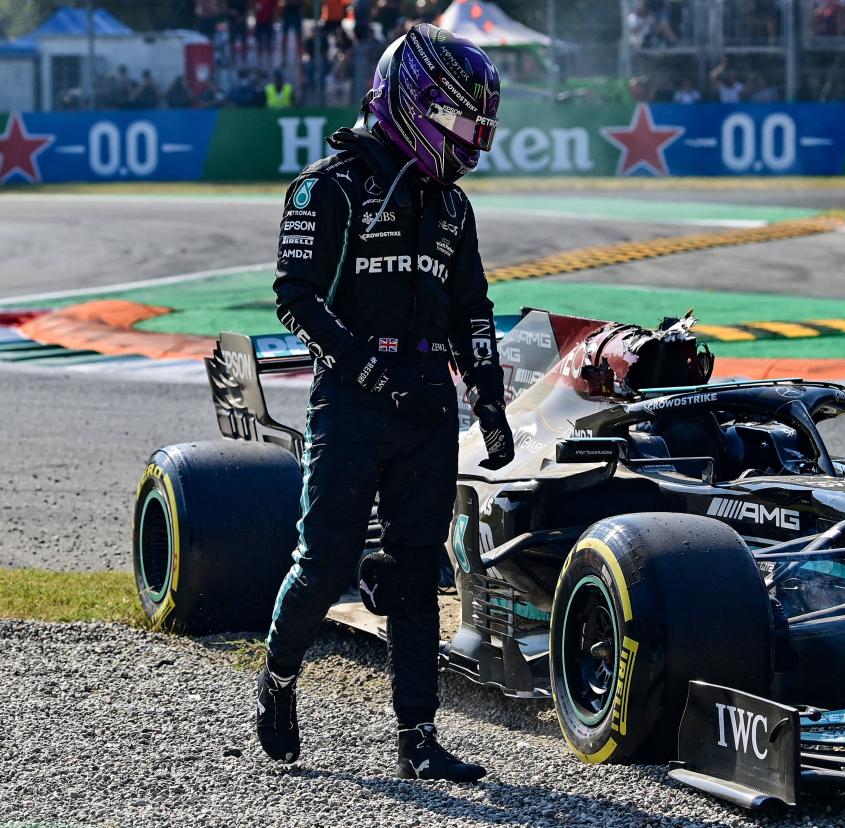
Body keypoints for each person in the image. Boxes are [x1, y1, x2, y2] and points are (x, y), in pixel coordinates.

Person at [256, 23, 512, 783]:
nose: (472, 141)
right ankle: (277, 679)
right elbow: (293, 300)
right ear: (416, 102)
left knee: (412, 573)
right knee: (325, 560)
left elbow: (474, 310)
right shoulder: (325, 186)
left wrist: (490, 402)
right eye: (464, 122)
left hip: (429, 407)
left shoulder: (455, 210)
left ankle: (419, 740)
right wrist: (371, 374)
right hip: (351, 405)